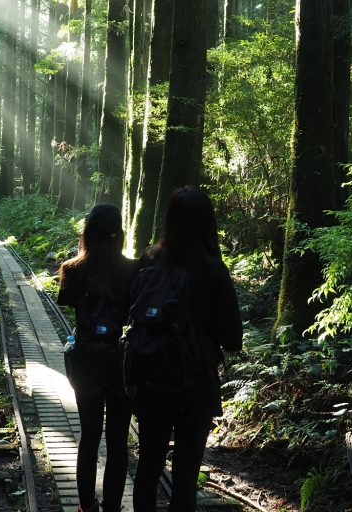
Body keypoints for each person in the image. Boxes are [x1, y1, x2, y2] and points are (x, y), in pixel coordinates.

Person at [131, 185, 244, 512]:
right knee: (184, 478)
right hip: (195, 385)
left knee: (148, 468)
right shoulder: (213, 270)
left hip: (151, 381)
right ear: (207, 224)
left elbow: (134, 310)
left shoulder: (150, 260)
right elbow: (233, 339)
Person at [57, 203, 136, 512]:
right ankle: (113, 508)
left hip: (86, 364)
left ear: (87, 234)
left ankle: (86, 506)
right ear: (120, 234)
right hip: (120, 364)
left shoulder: (72, 270)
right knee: (118, 442)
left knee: (89, 437)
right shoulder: (133, 270)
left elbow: (71, 305)